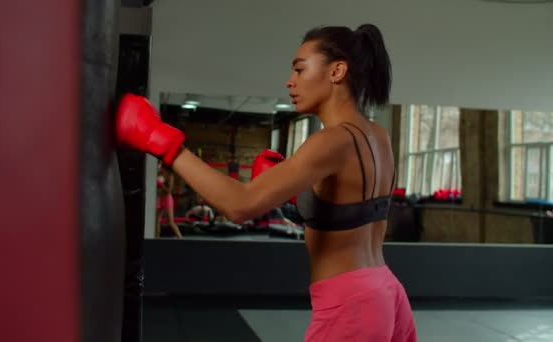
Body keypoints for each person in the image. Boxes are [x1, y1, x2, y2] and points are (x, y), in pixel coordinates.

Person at [116, 24, 416, 341]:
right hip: (386, 291)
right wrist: (300, 202)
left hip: (351, 304)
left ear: (337, 71)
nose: (291, 81)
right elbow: (354, 214)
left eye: (300, 69)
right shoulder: (378, 137)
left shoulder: (331, 141)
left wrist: (158, 140)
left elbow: (239, 206)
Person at [155, 161, 183, 239]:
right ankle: (157, 238)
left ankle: (180, 238)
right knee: (156, 220)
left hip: (167, 199)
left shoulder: (170, 176)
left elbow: (169, 191)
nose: (160, 168)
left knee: (170, 221)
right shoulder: (160, 174)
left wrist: (161, 185)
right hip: (160, 198)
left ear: (165, 167)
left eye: (162, 167)